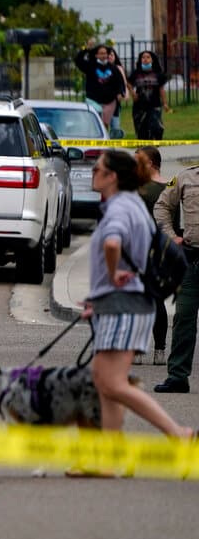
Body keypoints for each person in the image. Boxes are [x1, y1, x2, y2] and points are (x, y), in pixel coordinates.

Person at [83, 150, 192, 448]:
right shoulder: (129, 203)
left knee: (112, 383)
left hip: (124, 304)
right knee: (105, 383)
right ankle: (109, 456)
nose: (93, 171)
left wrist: (112, 275)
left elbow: (112, 243)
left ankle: (178, 434)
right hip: (122, 302)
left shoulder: (119, 207)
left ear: (113, 177)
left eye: (98, 168)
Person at [153, 160, 199, 393]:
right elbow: (162, 206)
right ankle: (178, 376)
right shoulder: (185, 177)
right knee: (183, 318)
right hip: (192, 260)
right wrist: (172, 237)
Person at [135, 146, 170, 366]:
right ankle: (157, 350)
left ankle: (141, 350)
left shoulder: (142, 190)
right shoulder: (170, 188)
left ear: (150, 164)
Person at [74, 41, 125, 133]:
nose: (103, 55)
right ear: (96, 55)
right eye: (101, 53)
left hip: (109, 101)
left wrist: (120, 93)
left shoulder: (113, 68)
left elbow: (119, 82)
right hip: (93, 100)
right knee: (95, 123)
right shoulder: (91, 66)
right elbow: (78, 61)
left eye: (105, 53)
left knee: (104, 125)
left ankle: (104, 139)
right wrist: (86, 49)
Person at [128, 50, 170, 140]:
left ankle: (156, 143)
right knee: (141, 129)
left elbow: (161, 89)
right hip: (139, 106)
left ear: (152, 60)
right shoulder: (136, 73)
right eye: (143, 57)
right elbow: (129, 83)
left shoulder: (158, 74)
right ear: (140, 60)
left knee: (156, 127)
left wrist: (165, 103)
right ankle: (143, 146)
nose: (145, 59)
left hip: (154, 105)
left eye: (148, 57)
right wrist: (133, 93)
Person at [108, 48, 129, 138]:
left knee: (115, 124)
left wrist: (124, 93)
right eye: (108, 55)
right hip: (103, 100)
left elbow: (124, 82)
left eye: (111, 55)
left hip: (115, 101)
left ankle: (117, 135)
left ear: (115, 57)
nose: (109, 57)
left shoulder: (118, 68)